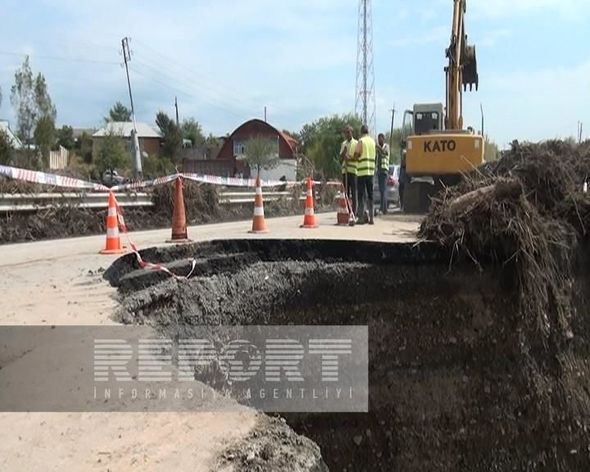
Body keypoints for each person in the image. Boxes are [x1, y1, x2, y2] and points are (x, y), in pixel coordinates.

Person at [354, 124, 376, 225]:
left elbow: (357, 154)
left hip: (362, 172)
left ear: (361, 132)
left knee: (361, 195)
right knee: (371, 195)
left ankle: (361, 218)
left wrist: (355, 156)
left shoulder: (361, 141)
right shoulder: (372, 142)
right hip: (371, 172)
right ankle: (371, 218)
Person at [339, 125, 358, 218]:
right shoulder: (343, 144)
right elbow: (340, 158)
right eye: (345, 132)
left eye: (348, 132)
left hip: (353, 171)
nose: (347, 134)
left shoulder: (356, 143)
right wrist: (344, 153)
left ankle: (354, 211)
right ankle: (347, 210)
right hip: (345, 172)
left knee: (354, 193)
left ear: (351, 132)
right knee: (346, 193)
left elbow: (357, 157)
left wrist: (349, 158)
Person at [376, 133, 390, 215]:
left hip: (384, 170)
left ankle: (384, 209)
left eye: (380, 138)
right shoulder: (378, 148)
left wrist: (378, 148)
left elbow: (385, 153)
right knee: (381, 190)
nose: (379, 140)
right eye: (378, 139)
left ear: (383, 139)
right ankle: (382, 207)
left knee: (383, 190)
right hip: (379, 170)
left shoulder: (386, 146)